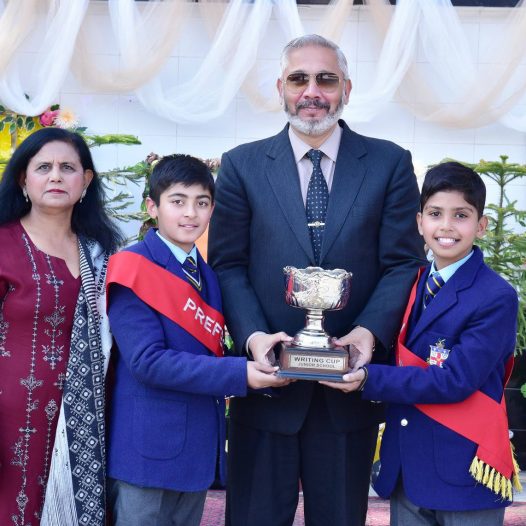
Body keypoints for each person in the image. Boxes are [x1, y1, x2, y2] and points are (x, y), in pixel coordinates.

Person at [208, 34, 425, 526]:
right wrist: (254, 337)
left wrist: (368, 334)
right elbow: (227, 264)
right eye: (298, 79)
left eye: (326, 79)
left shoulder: (389, 163)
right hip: (265, 389)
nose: (312, 91)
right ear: (280, 88)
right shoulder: (242, 165)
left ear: (346, 88)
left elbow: (402, 262)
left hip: (347, 392)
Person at [328, 162, 521, 525]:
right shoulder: (410, 283)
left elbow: (456, 380)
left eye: (460, 215)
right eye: (435, 214)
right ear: (419, 222)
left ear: (481, 225)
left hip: (464, 467)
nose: (446, 226)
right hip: (407, 467)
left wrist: (369, 378)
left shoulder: (496, 296)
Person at [105, 154, 287, 526]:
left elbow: (209, 350)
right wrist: (240, 374)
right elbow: (148, 362)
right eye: (178, 201)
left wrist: (267, 358)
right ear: (152, 207)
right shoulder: (132, 266)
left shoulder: (208, 275)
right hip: (147, 452)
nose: (191, 213)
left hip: (196, 451)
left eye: (201, 203)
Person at [0, 127, 123, 526]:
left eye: (67, 168)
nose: (56, 176)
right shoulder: (3, 244)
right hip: (11, 420)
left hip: (87, 418)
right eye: (44, 167)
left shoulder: (103, 253)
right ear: (23, 178)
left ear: (85, 180)